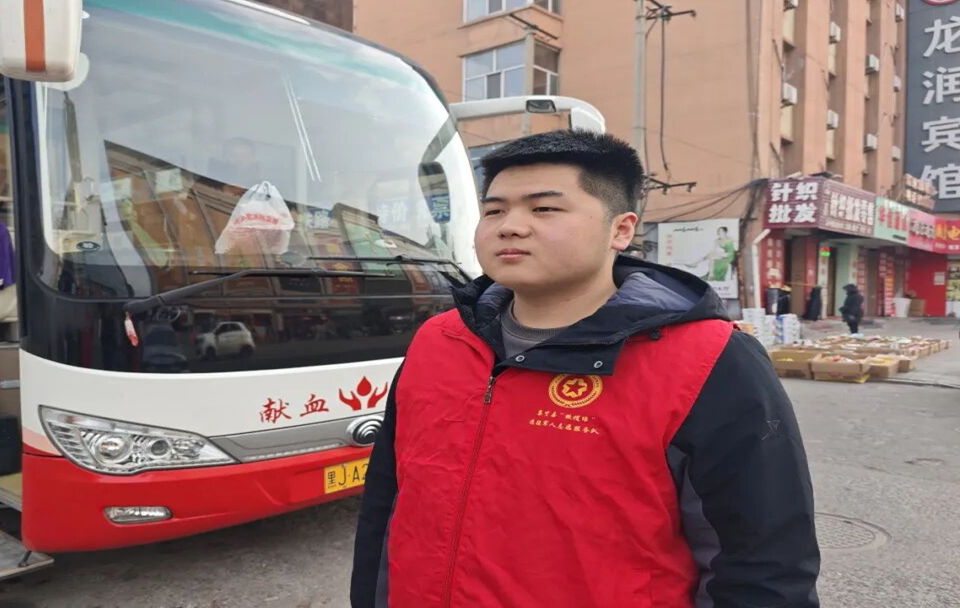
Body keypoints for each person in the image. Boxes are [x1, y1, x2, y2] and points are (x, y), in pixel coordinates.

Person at [350, 130, 820, 607]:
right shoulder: (440, 340)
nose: (509, 226)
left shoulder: (708, 359)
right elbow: (387, 500)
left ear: (621, 230)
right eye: (494, 211)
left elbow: (763, 563)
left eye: (543, 208)